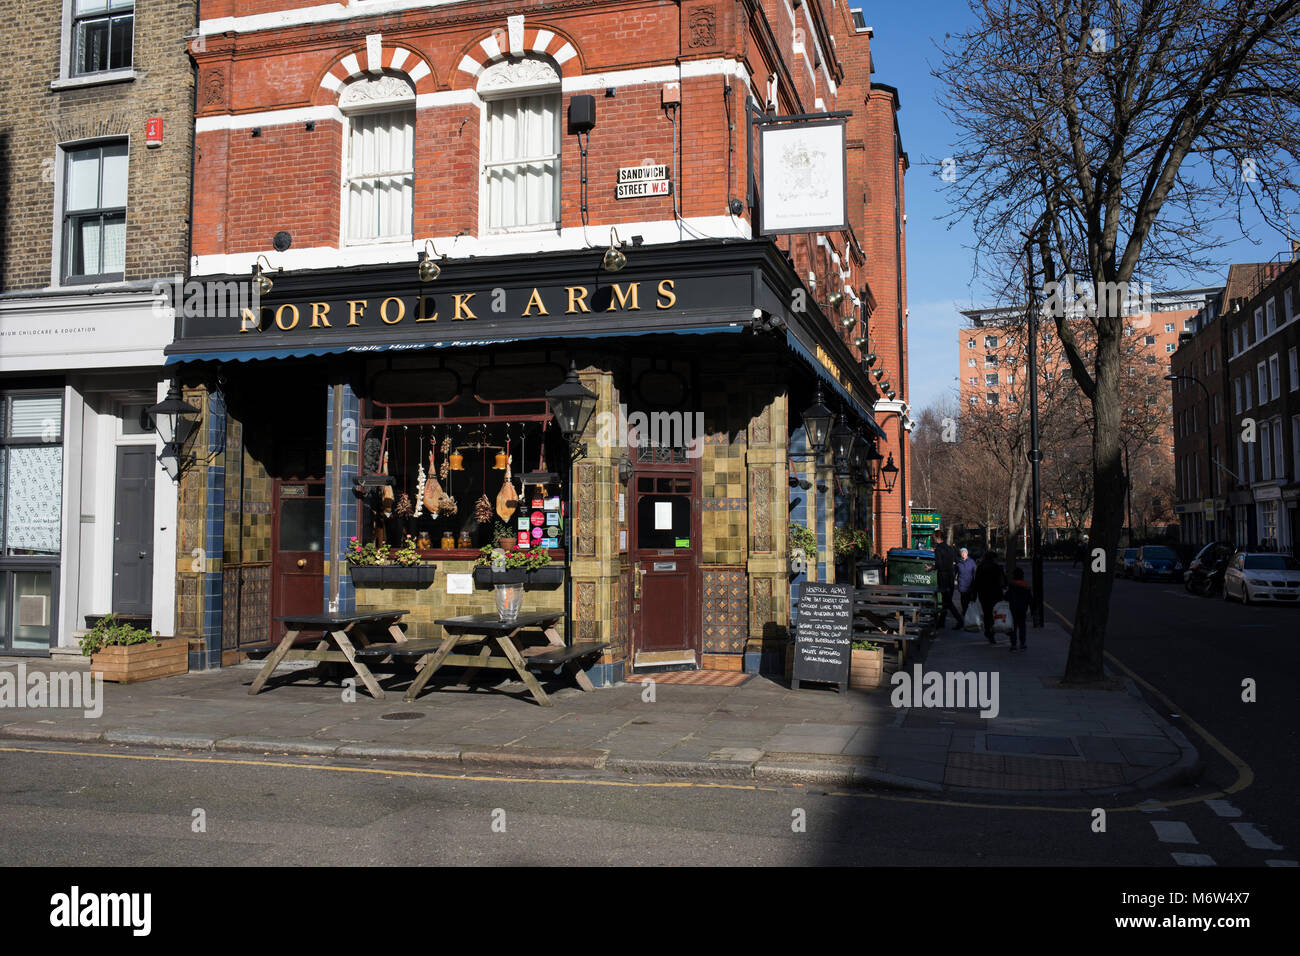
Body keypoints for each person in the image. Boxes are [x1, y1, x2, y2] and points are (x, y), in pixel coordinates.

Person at [932, 531, 963, 629]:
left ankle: (960, 620)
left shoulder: (938, 550)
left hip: (943, 578)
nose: (933, 539)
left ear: (937, 538)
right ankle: (941, 623)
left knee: (948, 601)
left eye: (934, 537)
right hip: (951, 577)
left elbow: (939, 565)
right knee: (946, 601)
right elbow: (956, 561)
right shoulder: (950, 548)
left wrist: (931, 568)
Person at [974, 550, 1005, 644]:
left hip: (984, 593)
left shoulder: (981, 567)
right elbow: (1003, 581)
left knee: (987, 613)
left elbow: (977, 581)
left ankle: (988, 630)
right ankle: (992, 630)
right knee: (994, 612)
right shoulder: (997, 567)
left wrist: (975, 593)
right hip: (995, 593)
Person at [1005, 566, 1032, 652]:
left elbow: (1006, 597)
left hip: (1013, 608)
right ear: (1022, 576)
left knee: (1013, 626)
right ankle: (1022, 644)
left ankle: (1013, 645)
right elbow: (1030, 599)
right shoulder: (1026, 586)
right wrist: (1032, 608)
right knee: (1022, 626)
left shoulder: (1012, 586)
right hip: (1023, 609)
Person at [955, 546, 977, 625]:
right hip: (962, 586)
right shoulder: (959, 563)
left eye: (964, 553)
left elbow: (975, 573)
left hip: (970, 585)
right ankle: (964, 616)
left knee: (969, 602)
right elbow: (955, 573)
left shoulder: (971, 562)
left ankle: (969, 617)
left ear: (967, 554)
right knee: (963, 602)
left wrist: (975, 584)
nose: (963, 554)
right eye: (962, 553)